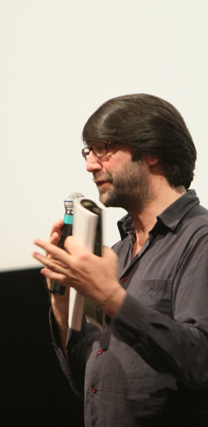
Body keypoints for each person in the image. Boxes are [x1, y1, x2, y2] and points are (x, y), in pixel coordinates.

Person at [33, 94, 208, 426]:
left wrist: (111, 297)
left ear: (152, 152)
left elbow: (200, 361)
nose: (90, 165)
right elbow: (88, 382)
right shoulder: (117, 253)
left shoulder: (200, 239)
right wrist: (62, 295)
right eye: (88, 151)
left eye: (105, 148)